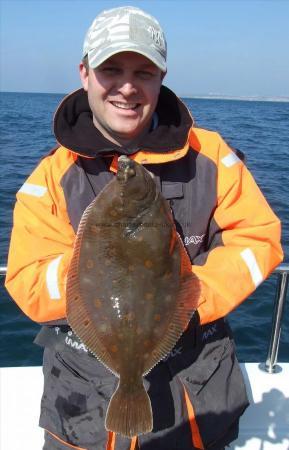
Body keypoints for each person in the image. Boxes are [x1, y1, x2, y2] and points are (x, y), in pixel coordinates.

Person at [5, 5, 283, 450]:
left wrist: (188, 297)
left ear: (162, 76)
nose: (128, 87)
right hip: (83, 406)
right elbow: (28, 280)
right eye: (111, 69)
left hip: (197, 400)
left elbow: (258, 237)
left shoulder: (209, 155)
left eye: (145, 72)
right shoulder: (50, 178)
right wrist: (92, 271)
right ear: (84, 72)